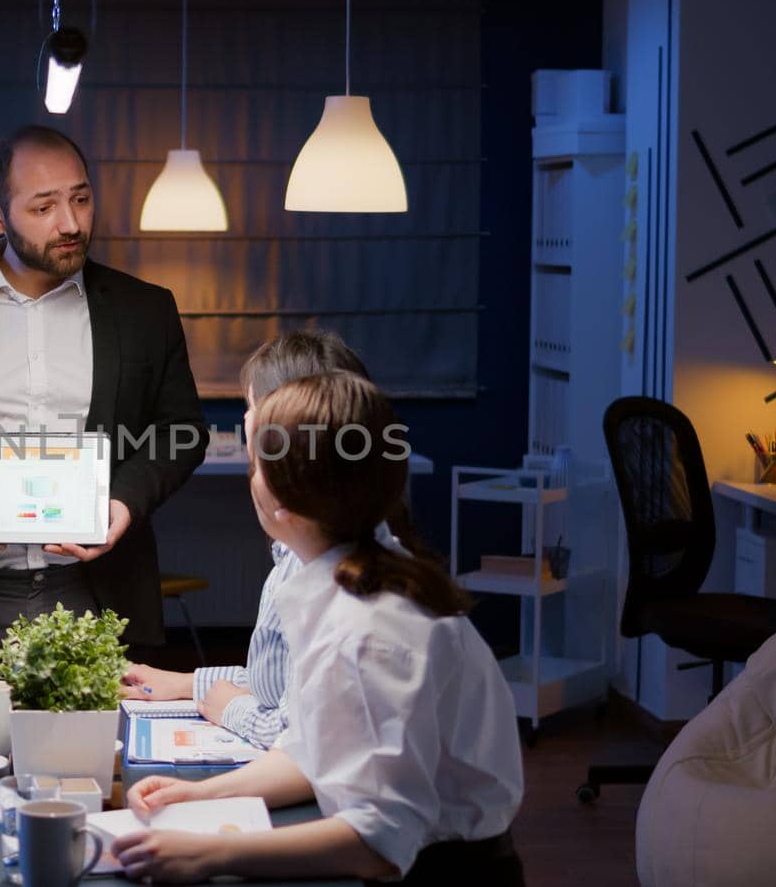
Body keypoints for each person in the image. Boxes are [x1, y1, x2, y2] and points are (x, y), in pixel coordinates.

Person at [113, 372, 526, 886]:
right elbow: (311, 751)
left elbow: (380, 842)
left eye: (257, 461)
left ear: (280, 504)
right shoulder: (350, 582)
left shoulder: (370, 630)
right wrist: (197, 796)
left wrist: (210, 853)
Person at [0, 124, 208, 674]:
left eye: (80, 199)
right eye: (44, 207)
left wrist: (123, 502)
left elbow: (180, 432)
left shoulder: (146, 310)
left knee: (100, 760)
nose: (70, 223)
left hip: (101, 595)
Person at [120, 330, 406, 748]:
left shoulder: (341, 589)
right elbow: (278, 685)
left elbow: (298, 735)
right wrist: (188, 685)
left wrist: (227, 707)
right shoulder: (305, 552)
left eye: (253, 406)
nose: (246, 421)